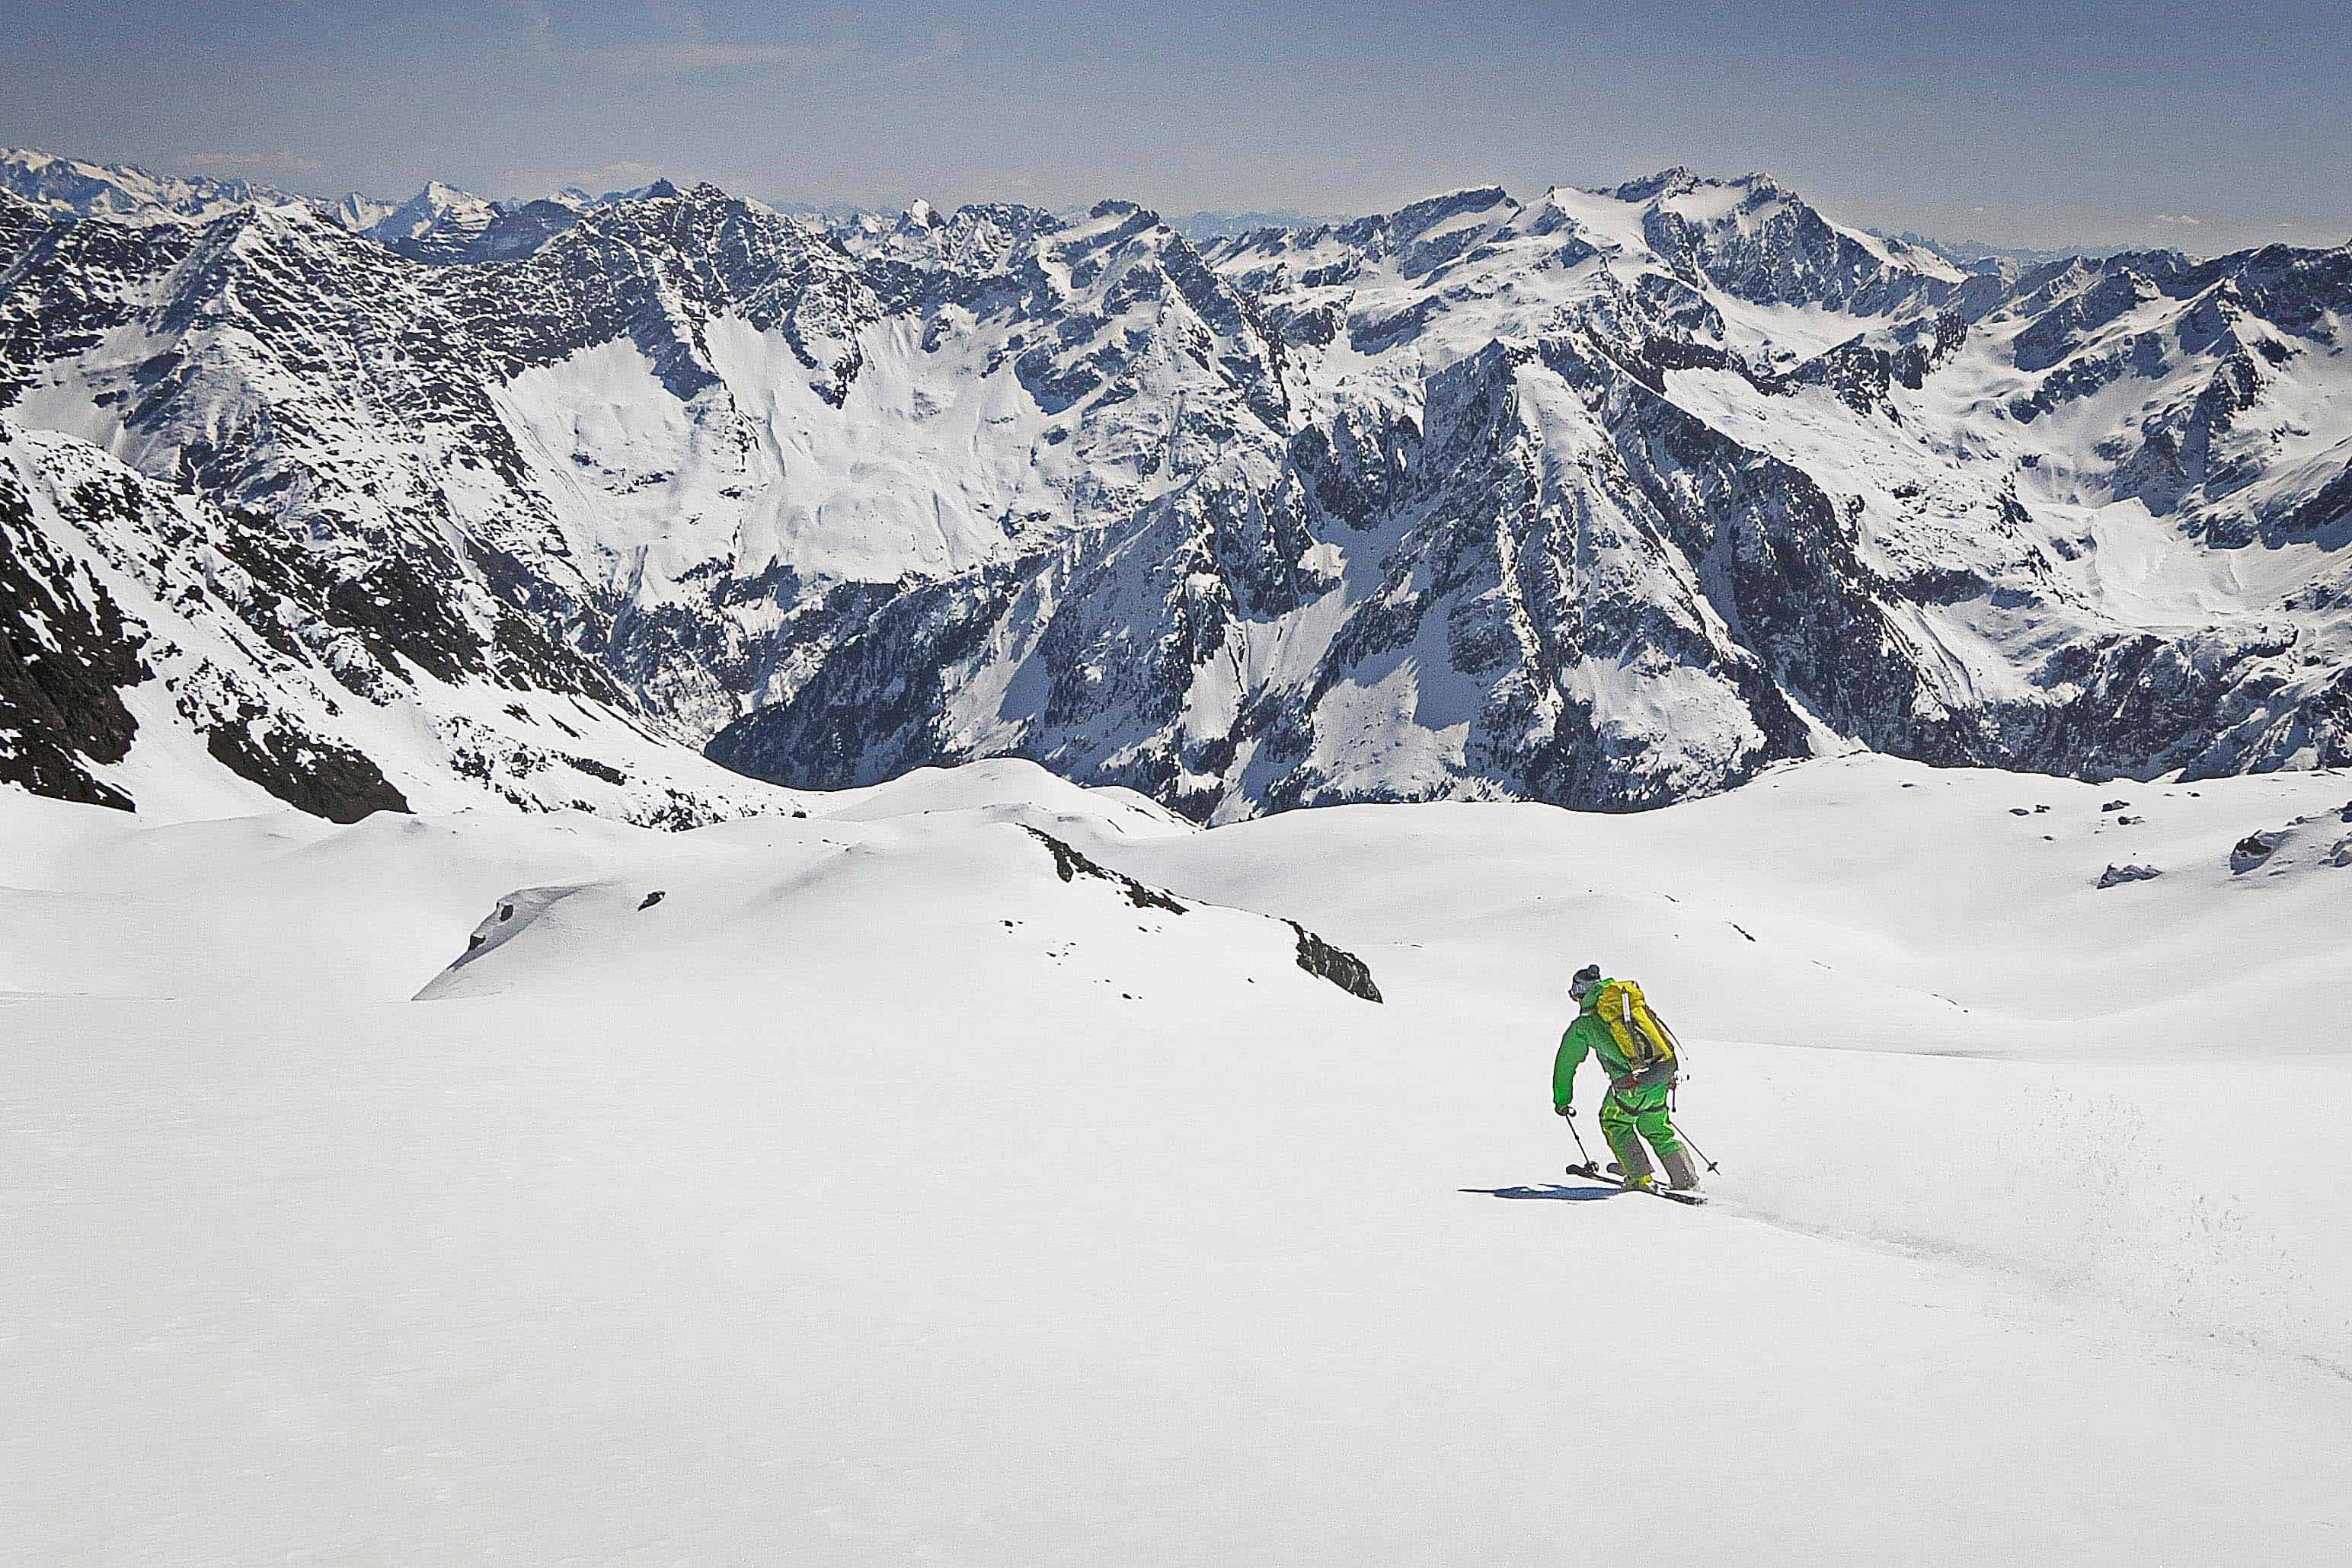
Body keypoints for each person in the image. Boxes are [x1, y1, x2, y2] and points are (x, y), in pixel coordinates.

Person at [1552, 963, 1702, 1193]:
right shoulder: (1628, 1005)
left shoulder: (1584, 1026)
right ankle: (1686, 1179)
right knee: (1656, 1127)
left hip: (1632, 1085)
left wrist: (1562, 1100)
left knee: (1615, 1122)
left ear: (1579, 993)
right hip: (1662, 1075)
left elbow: (1565, 1064)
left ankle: (1639, 1175)